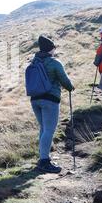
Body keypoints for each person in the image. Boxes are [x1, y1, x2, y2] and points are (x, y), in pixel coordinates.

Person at [30, 36, 75, 173]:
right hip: (50, 99)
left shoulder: (34, 62)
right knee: (49, 130)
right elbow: (64, 81)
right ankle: (44, 161)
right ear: (51, 49)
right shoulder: (55, 62)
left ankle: (43, 157)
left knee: (44, 128)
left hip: (35, 99)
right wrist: (70, 87)